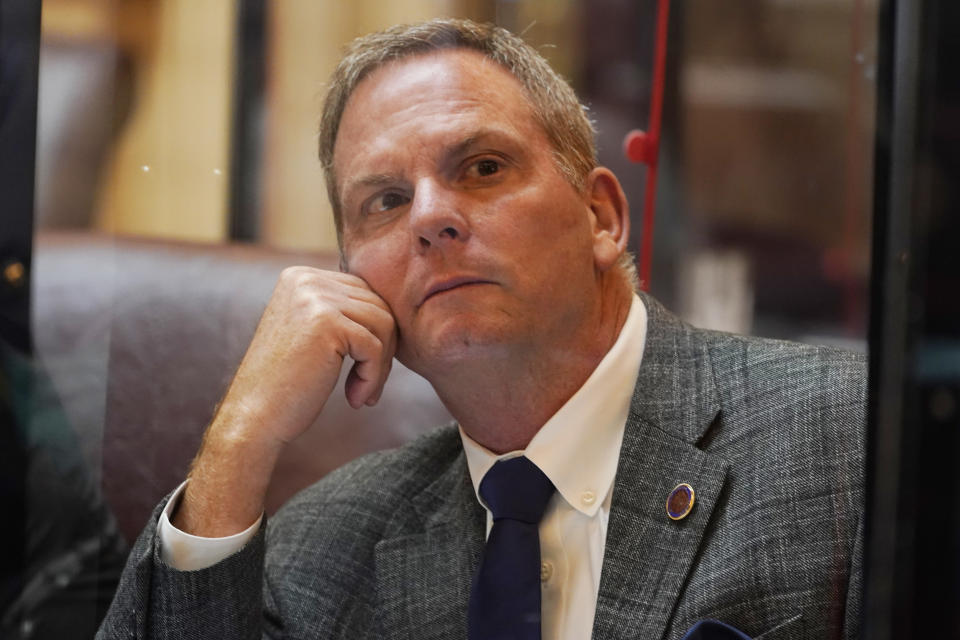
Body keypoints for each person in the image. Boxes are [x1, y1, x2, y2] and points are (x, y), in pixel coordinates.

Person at [97, 18, 865, 640]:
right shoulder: (328, 549)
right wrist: (240, 439)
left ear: (601, 216)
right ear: (354, 282)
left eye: (484, 168)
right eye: (386, 202)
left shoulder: (849, 443)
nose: (431, 217)